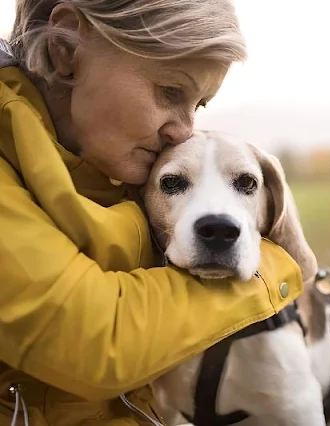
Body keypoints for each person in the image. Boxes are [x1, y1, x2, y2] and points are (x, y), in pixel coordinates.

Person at [0, 1, 304, 424]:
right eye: (170, 92)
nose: (183, 130)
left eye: (198, 106)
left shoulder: (119, 163)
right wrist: (269, 269)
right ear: (66, 49)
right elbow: (97, 340)